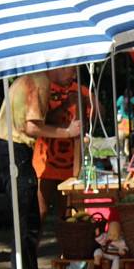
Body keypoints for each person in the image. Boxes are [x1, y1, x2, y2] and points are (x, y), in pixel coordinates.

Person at [0, 67, 81, 269]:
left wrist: (61, 108)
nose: (74, 75)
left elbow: (39, 120)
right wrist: (68, 132)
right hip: (13, 148)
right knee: (26, 213)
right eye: (71, 68)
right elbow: (31, 127)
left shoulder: (38, 80)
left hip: (12, 148)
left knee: (29, 213)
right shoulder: (40, 82)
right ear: (59, 66)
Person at [32, 72, 92, 240]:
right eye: (68, 68)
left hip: (72, 166)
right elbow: (40, 121)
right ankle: (31, 263)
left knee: (67, 215)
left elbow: (99, 114)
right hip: (45, 163)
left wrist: (89, 102)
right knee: (39, 214)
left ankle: (66, 259)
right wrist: (65, 105)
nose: (71, 73)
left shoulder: (81, 89)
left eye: (73, 69)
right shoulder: (45, 88)